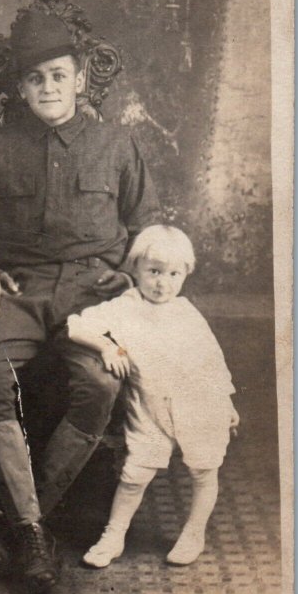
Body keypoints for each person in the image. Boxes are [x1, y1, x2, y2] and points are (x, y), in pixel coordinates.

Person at [0, 0, 161, 594]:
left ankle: (23, 525)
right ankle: (33, 529)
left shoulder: (117, 146)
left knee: (100, 383)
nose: (47, 87)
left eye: (57, 75)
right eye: (34, 78)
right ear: (18, 88)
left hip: (93, 297)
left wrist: (130, 280)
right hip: (16, 294)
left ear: (79, 79)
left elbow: (149, 228)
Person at [66, 225, 240, 568]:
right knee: (135, 475)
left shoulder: (186, 312)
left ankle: (194, 532)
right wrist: (107, 346)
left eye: (174, 274)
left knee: (204, 471)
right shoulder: (124, 307)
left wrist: (227, 401)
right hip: (150, 407)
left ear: (186, 274)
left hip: (199, 404)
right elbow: (76, 324)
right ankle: (114, 535)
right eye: (154, 272)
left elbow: (212, 362)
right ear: (135, 269)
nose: (163, 283)